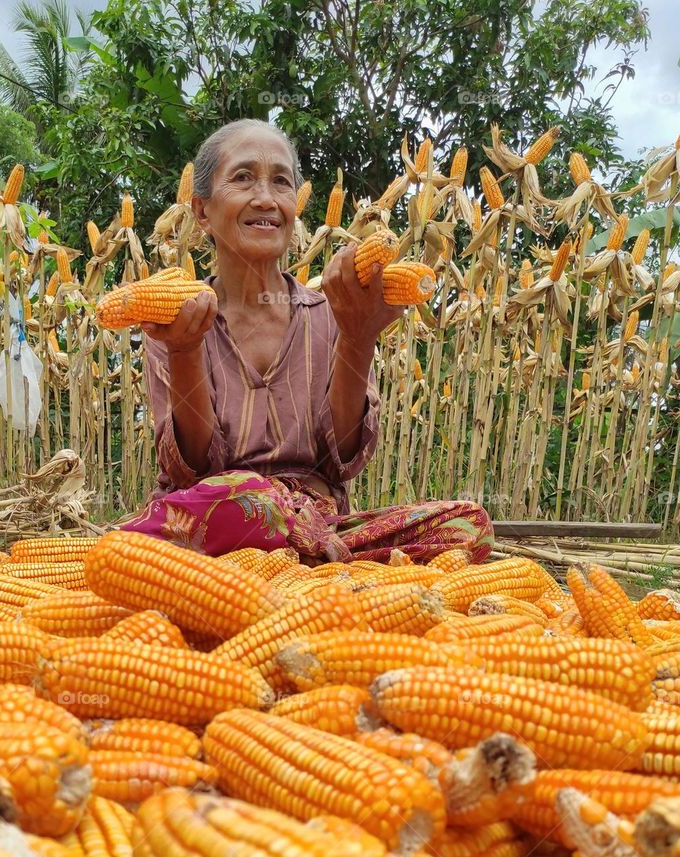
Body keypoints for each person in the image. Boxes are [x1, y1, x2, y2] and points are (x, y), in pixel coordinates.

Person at [120, 119, 493, 563]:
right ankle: (319, 560)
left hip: (318, 522)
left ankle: (306, 554)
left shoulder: (337, 311)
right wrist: (185, 351)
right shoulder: (177, 318)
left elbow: (343, 460)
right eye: (243, 178)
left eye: (281, 182)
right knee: (249, 498)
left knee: (468, 523)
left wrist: (357, 338)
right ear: (202, 211)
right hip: (215, 517)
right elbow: (191, 469)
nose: (266, 198)